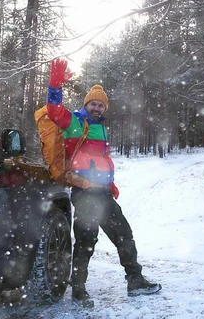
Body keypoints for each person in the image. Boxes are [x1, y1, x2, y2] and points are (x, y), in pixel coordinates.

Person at [46, 57, 162, 306]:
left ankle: (135, 281)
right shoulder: (76, 122)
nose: (97, 108)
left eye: (101, 105)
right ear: (87, 104)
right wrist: (55, 85)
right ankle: (78, 290)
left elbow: (99, 160)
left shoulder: (101, 128)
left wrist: (109, 183)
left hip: (102, 193)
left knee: (124, 235)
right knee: (86, 241)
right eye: (93, 104)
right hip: (85, 194)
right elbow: (54, 111)